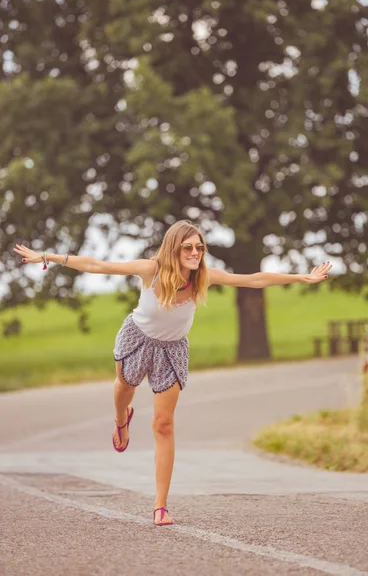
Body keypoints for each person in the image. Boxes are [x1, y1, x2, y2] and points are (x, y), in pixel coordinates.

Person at [13, 219, 332, 525]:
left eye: (200, 248)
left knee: (163, 424)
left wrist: (302, 277)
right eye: (188, 248)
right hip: (137, 339)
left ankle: (160, 505)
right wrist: (47, 257)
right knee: (124, 388)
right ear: (173, 249)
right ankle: (121, 421)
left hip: (172, 350)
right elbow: (98, 265)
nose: (195, 254)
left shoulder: (203, 277)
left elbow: (253, 279)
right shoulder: (150, 271)